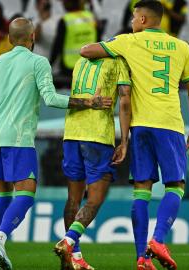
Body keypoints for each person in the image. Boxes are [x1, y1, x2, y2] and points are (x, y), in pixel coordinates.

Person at [0, 17, 112, 270]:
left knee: (2, 196)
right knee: (25, 194)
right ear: (33, 37)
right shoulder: (37, 62)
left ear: (10, 39)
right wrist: (89, 102)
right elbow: (50, 98)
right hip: (19, 140)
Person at [80, 1, 189, 269]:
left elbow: (86, 50)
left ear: (144, 20)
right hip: (169, 124)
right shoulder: (182, 47)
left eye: (134, 17)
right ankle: (158, 240)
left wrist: (113, 52)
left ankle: (141, 258)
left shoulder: (128, 41)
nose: (132, 22)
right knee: (175, 186)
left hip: (140, 126)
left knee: (141, 191)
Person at [53, 56, 132, 270]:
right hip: (97, 136)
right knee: (95, 198)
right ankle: (68, 241)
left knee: (73, 199)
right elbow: (124, 101)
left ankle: (73, 259)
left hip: (71, 133)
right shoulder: (119, 63)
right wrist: (124, 141)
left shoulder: (81, 61)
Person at [50, 0, 97, 76]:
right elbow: (98, 41)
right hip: (89, 66)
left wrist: (49, 65)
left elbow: (57, 46)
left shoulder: (65, 20)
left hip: (69, 68)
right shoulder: (91, 18)